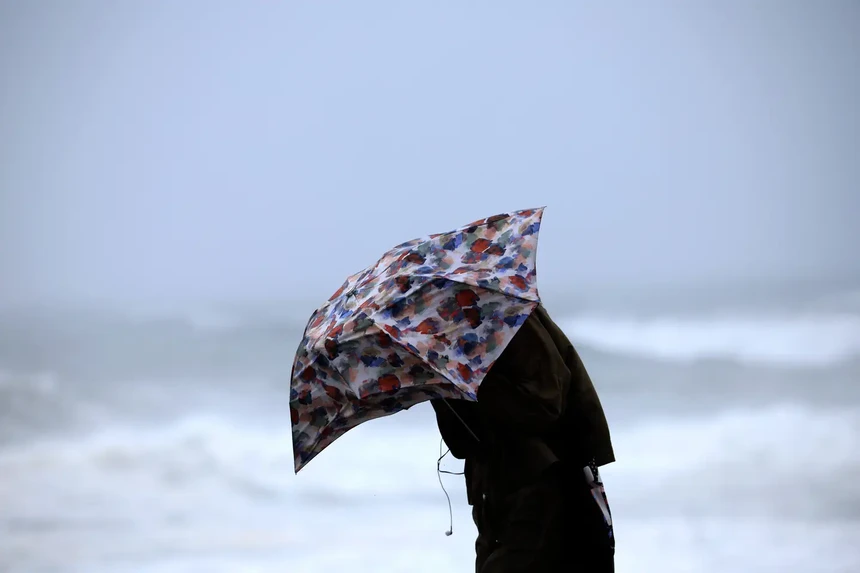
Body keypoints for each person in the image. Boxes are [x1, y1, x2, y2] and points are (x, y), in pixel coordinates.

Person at [431, 304, 615, 572]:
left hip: (541, 480)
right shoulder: (438, 337)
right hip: (492, 490)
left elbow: (548, 402)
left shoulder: (509, 313)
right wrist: (441, 384)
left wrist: (468, 379)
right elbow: (463, 443)